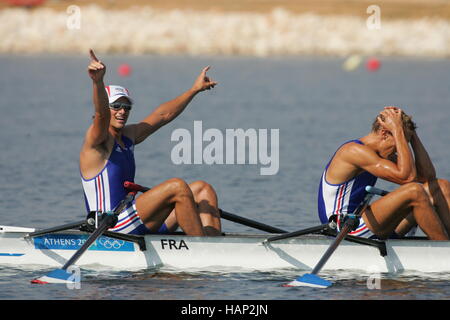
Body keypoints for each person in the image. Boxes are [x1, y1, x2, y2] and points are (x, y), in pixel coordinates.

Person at [80, 49, 221, 236]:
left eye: (126, 107)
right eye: (116, 106)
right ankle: (202, 250)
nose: (122, 111)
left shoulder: (128, 135)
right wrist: (97, 82)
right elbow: (101, 115)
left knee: (203, 190)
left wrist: (194, 90)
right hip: (111, 227)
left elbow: (163, 115)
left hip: (134, 220)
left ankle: (214, 245)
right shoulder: (97, 140)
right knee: (177, 186)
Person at [318, 106, 450, 240]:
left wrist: (412, 134)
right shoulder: (353, 151)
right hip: (346, 228)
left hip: (369, 224)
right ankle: (445, 252)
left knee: (441, 187)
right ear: (384, 133)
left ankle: (443, 244)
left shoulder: (380, 153)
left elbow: (426, 176)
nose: (398, 150)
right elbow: (408, 177)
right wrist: (399, 131)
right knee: (414, 191)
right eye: (400, 143)